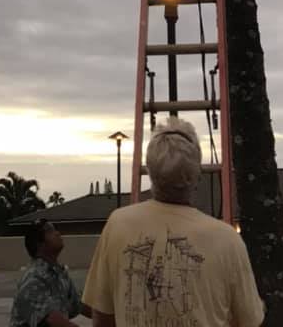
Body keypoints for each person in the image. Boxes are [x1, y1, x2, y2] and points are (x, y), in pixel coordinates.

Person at [83, 119, 265, 327]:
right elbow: (250, 321)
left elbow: (102, 317)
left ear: (150, 171)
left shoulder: (118, 224)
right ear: (196, 174)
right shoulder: (228, 240)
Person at [10, 220, 91, 327]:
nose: (57, 233)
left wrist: (111, 316)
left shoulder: (59, 274)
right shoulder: (33, 278)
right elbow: (52, 320)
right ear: (39, 244)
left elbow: (79, 305)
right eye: (50, 231)